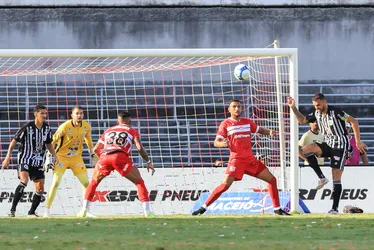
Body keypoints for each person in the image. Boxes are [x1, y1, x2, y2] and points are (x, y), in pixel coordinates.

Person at [192, 99, 290, 216]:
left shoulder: (247, 122)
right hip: (236, 161)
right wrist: (221, 144)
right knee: (224, 186)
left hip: (250, 161)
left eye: (239, 106)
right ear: (229, 109)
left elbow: (260, 130)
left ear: (242, 108)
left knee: (272, 180)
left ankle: (277, 209)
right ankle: (203, 208)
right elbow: (216, 141)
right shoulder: (225, 124)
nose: (237, 109)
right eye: (234, 106)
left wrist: (270, 132)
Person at [287, 93, 367, 214]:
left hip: (340, 146)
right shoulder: (316, 113)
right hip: (328, 144)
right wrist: (293, 107)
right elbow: (302, 120)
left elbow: (354, 122)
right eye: (314, 105)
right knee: (307, 149)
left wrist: (357, 142)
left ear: (325, 102)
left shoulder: (336, 112)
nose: (316, 108)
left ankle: (334, 208)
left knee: (336, 175)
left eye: (318, 105)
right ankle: (321, 178)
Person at [77, 111, 155, 217]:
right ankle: (147, 212)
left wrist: (104, 160)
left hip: (104, 157)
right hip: (120, 157)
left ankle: (84, 210)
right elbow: (139, 147)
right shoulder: (132, 131)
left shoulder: (108, 130)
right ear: (130, 121)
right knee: (139, 182)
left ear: (118, 121)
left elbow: (95, 149)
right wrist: (148, 161)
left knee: (94, 182)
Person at [1, 104, 58, 217]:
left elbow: (49, 144)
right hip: (25, 159)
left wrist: (55, 155)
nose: (44, 115)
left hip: (38, 161)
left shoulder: (47, 128)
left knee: (40, 188)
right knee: (25, 180)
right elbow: (14, 141)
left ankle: (31, 212)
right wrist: (8, 157)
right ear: (36, 114)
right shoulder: (27, 127)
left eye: (45, 113)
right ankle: (12, 210)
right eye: (42, 113)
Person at [43, 105, 97, 217]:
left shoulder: (86, 126)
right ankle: (46, 211)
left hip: (76, 158)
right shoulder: (65, 126)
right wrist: (49, 157)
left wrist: (92, 153)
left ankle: (86, 211)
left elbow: (88, 139)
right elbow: (52, 141)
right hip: (61, 157)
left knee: (86, 184)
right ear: (72, 115)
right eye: (77, 113)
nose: (79, 115)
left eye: (81, 113)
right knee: (56, 183)